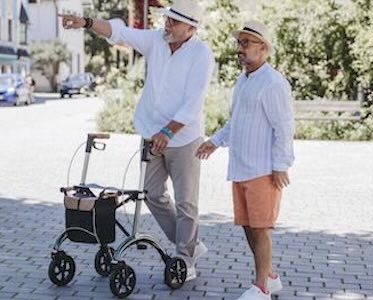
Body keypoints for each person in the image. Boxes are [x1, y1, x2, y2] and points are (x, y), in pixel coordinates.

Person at [59, 0, 214, 280]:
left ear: (190, 28)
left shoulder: (201, 55)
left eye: (173, 22)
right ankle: (189, 242)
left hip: (183, 138)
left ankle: (185, 257)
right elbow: (120, 33)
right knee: (152, 193)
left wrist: (168, 132)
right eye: (167, 19)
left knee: (186, 203)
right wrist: (86, 22)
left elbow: (193, 104)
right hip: (150, 133)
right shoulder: (156, 40)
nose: (166, 24)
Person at [196, 20, 294, 300]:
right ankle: (271, 278)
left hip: (263, 170)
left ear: (263, 48)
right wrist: (214, 142)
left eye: (246, 43)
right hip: (240, 167)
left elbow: (284, 127)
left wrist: (280, 165)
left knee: (261, 229)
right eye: (239, 43)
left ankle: (261, 287)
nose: (240, 49)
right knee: (249, 227)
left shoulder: (274, 83)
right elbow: (235, 122)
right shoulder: (244, 80)